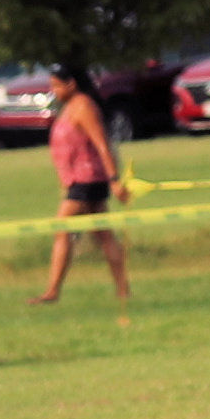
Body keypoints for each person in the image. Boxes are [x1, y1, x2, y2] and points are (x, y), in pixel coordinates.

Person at [32, 63, 131, 304]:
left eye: (57, 85)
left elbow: (102, 144)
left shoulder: (84, 107)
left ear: (71, 84)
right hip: (78, 181)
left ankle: (52, 291)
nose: (53, 90)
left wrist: (115, 180)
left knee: (62, 230)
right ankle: (122, 289)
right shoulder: (70, 107)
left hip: (87, 180)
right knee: (104, 235)